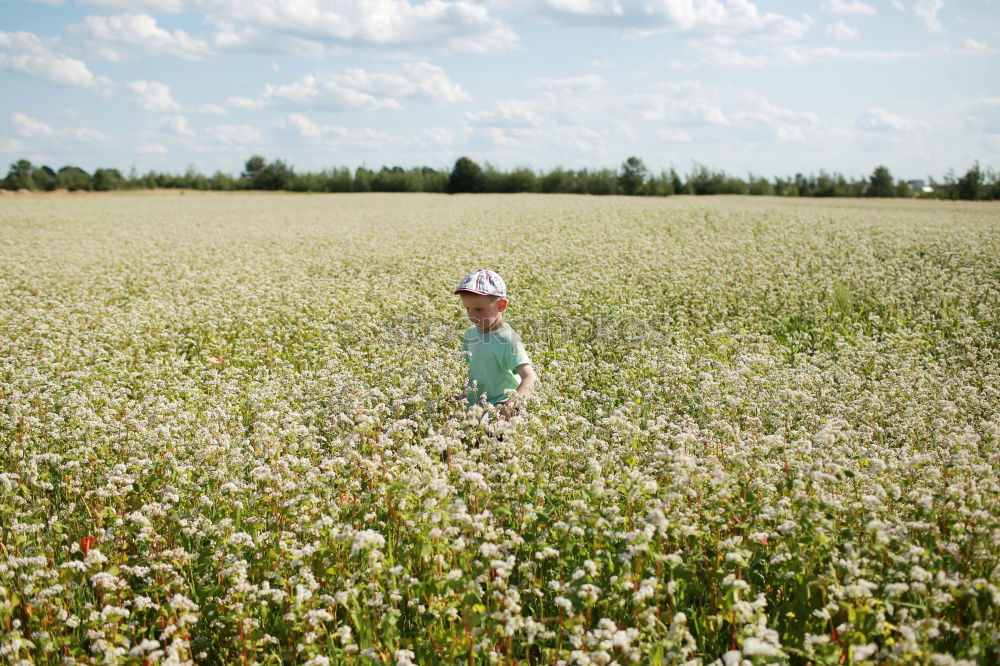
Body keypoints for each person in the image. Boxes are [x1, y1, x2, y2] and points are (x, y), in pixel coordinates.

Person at [450, 269, 537, 419]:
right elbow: (476, 374)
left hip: (502, 404)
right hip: (477, 405)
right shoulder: (470, 334)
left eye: (479, 309)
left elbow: (530, 378)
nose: (471, 315)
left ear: (501, 305)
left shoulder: (508, 339)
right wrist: (463, 397)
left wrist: (509, 406)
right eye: (467, 308)